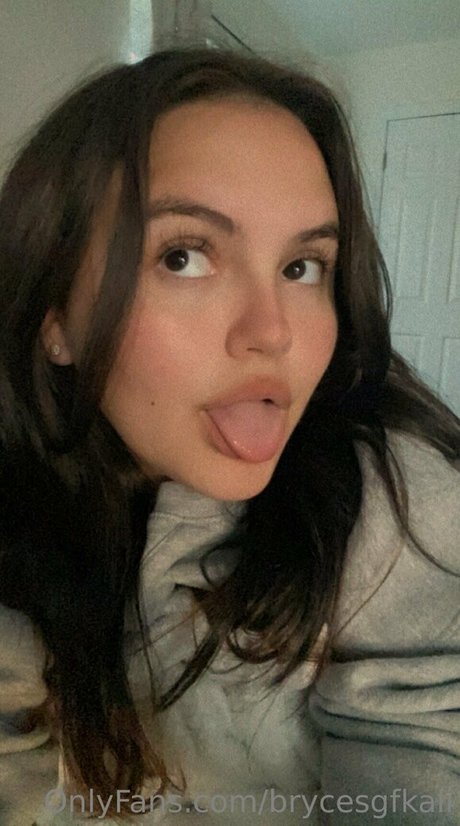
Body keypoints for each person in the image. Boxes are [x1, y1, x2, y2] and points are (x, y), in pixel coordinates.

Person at [0, 47, 458, 826]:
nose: (273, 331)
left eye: (303, 266)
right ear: (55, 320)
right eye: (184, 257)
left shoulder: (391, 501)